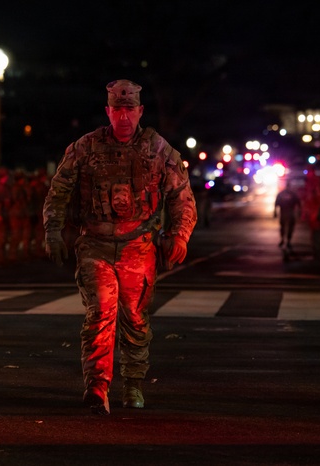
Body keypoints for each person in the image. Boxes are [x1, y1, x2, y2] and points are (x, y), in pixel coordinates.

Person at [42, 79, 197, 415]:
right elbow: (59, 190)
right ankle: (97, 386)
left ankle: (133, 382)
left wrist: (179, 235)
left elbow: (181, 197)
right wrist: (53, 230)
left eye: (130, 110)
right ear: (108, 111)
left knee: (135, 319)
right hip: (95, 244)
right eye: (118, 110)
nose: (124, 117)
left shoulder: (158, 149)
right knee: (100, 313)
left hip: (137, 246)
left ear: (140, 111)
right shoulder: (85, 148)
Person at [299, 166, 320, 262]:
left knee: (317, 234)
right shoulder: (309, 184)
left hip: (316, 213)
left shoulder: (315, 184)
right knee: (314, 234)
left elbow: (319, 199)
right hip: (312, 213)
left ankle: (317, 252)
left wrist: (315, 211)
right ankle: (316, 252)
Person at [273, 180, 301, 250]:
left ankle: (284, 240)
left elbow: (276, 203)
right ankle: (287, 240)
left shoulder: (281, 193)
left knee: (283, 227)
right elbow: (298, 203)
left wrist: (275, 212)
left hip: (284, 212)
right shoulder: (292, 193)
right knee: (289, 227)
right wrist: (299, 212)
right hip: (290, 212)